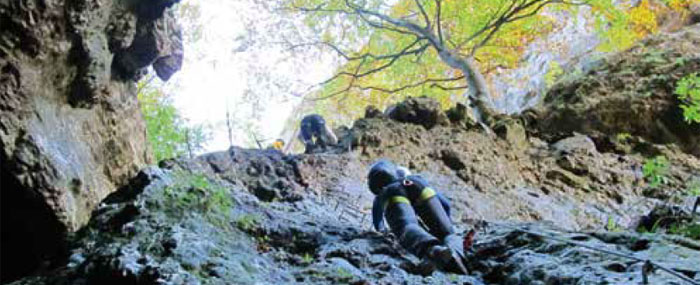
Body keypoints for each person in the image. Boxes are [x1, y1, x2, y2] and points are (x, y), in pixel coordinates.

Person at [367, 159, 468, 274]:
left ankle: (433, 250)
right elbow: (446, 205)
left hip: (394, 193)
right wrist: (447, 224)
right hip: (420, 185)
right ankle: (454, 252)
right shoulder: (413, 178)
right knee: (448, 234)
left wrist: (383, 231)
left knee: (407, 227)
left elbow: (378, 222)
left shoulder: (384, 192)